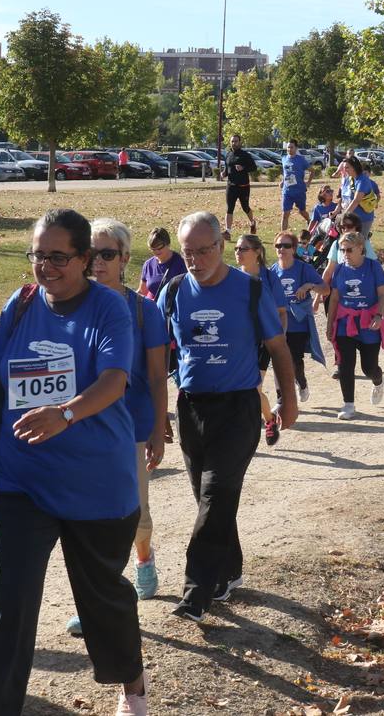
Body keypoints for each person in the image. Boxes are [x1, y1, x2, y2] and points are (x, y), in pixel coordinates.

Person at [0, 209, 147, 716]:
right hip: (25, 482)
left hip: (96, 486)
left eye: (58, 257)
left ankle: (131, 682)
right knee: (13, 602)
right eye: (38, 255)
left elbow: (114, 381)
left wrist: (65, 413)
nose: (45, 266)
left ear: (85, 259)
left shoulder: (110, 309)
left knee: (101, 600)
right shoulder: (20, 306)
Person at [159, 212, 297, 623]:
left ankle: (195, 592)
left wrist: (286, 399)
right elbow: (154, 353)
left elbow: (278, 347)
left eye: (204, 250)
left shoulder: (250, 291)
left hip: (238, 407)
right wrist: (155, 411)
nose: (196, 260)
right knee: (210, 499)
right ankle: (229, 570)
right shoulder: (174, 292)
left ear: (221, 246)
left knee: (216, 495)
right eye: (188, 252)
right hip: (191, 407)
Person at [65, 219, 169, 627]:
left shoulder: (144, 310)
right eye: (92, 254)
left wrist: (159, 427)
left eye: (107, 254)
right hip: (82, 428)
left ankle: (144, 553)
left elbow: (159, 377)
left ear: (125, 258)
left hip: (131, 428)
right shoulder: (72, 305)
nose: (98, 263)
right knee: (87, 517)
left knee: (135, 515)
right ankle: (94, 600)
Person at [325, 231, 384, 420]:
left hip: (369, 322)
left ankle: (378, 381)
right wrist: (330, 324)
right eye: (342, 250)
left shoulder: (373, 267)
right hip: (346, 323)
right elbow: (335, 298)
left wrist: (379, 315)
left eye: (349, 250)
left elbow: (383, 294)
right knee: (345, 365)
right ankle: (348, 405)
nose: (345, 253)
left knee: (368, 368)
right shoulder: (339, 269)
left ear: (361, 248)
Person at [233, 234, 289, 441]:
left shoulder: (270, 277)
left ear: (257, 252)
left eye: (243, 249)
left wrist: (279, 341)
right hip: (239, 341)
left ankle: (266, 422)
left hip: (264, 339)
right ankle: (268, 417)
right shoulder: (232, 277)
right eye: (237, 249)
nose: (238, 252)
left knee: (254, 386)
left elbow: (282, 312)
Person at [270, 232, 324, 415]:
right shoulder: (272, 272)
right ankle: (281, 400)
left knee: (294, 361)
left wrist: (308, 286)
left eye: (285, 246)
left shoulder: (303, 269)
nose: (281, 249)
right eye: (278, 246)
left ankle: (301, 382)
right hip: (278, 325)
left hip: (298, 324)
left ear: (293, 249)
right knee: (277, 360)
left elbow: (326, 289)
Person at [136, 227, 186, 301]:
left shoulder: (181, 262)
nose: (156, 252)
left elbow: (186, 291)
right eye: (153, 249)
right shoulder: (148, 265)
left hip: (172, 308)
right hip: (152, 309)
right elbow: (142, 291)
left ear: (168, 244)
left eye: (159, 248)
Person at [223, 134, 258, 236]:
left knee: (245, 207)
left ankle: (252, 223)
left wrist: (243, 168)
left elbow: (254, 167)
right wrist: (224, 173)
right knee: (229, 208)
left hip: (243, 186)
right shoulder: (228, 154)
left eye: (236, 141)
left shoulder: (245, 155)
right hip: (231, 186)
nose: (234, 143)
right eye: (232, 141)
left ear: (240, 142)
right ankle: (228, 231)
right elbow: (227, 167)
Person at [338, 156, 381, 237]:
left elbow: (356, 200)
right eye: (344, 168)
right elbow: (343, 198)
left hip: (363, 219)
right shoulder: (349, 179)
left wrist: (343, 216)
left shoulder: (363, 180)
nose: (345, 170)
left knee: (359, 245)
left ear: (354, 167)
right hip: (350, 218)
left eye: (347, 167)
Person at [279, 140, 311, 231]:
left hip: (299, 191)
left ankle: (309, 220)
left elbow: (312, 170)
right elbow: (285, 172)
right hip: (287, 191)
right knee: (285, 214)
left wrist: (308, 182)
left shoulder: (301, 159)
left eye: (291, 147)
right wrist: (282, 181)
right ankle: (283, 235)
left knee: (302, 211)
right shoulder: (284, 158)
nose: (289, 149)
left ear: (296, 148)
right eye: (288, 147)